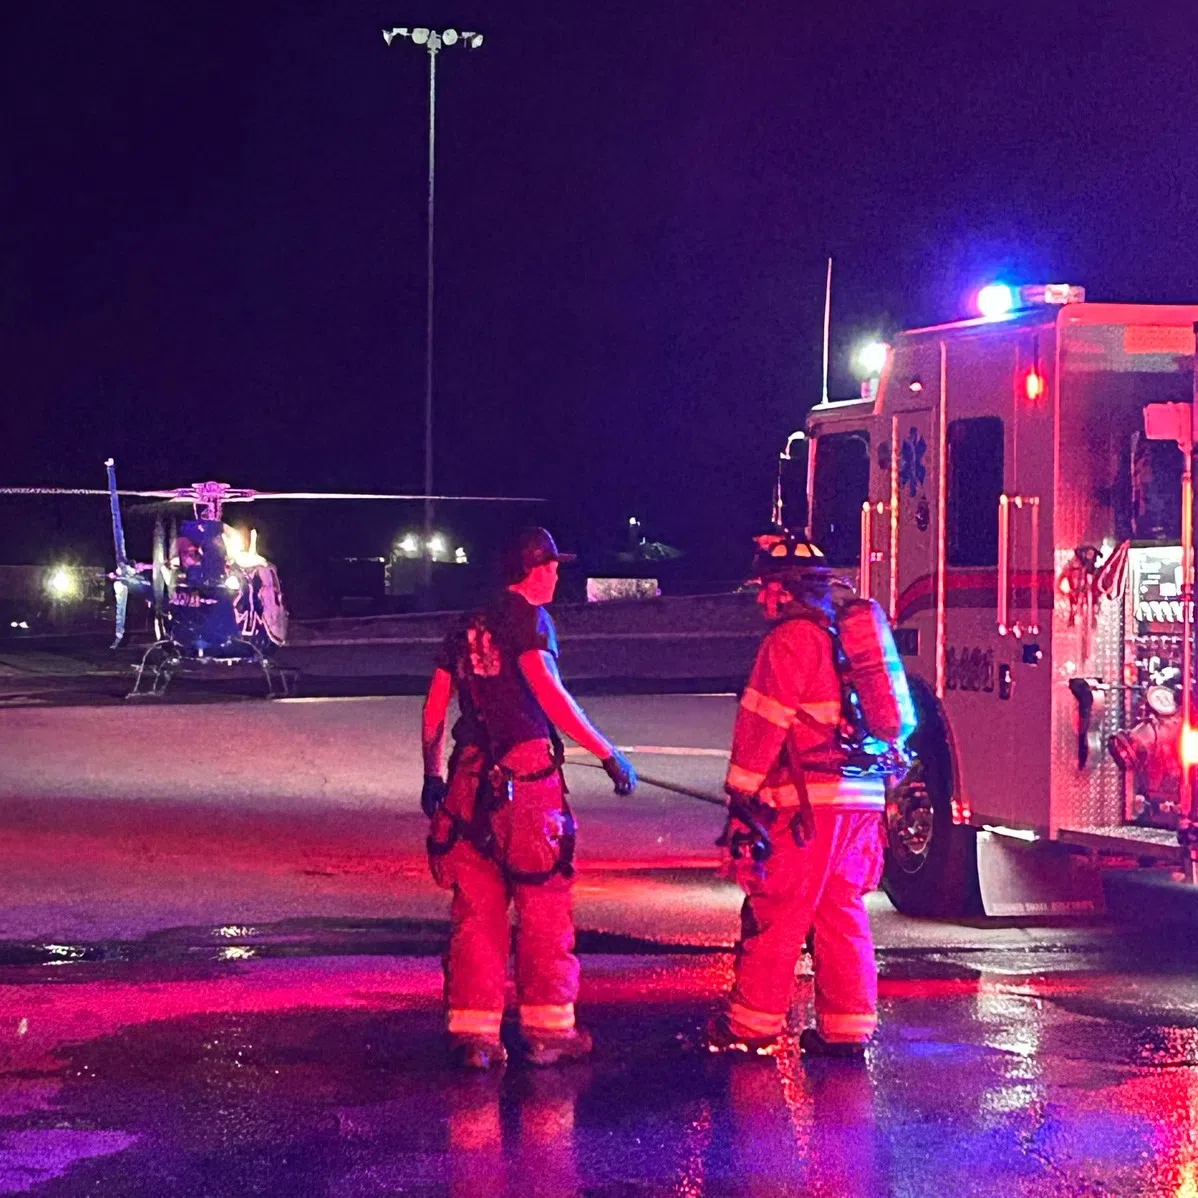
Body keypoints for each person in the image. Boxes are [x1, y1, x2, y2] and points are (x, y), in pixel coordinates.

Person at [421, 526, 638, 1070]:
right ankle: (549, 1031)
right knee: (543, 903)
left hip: (469, 779)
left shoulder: (464, 625)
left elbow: (434, 709)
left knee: (477, 908)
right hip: (526, 780)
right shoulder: (531, 620)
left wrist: (432, 776)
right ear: (532, 569)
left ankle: (476, 1037)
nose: (558, 574)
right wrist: (607, 753)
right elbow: (548, 690)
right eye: (552, 565)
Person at [705, 530, 887, 1059]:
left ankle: (751, 1027)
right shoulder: (843, 638)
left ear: (784, 590)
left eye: (766, 587)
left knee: (781, 911)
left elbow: (763, 724)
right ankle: (848, 1030)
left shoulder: (790, 640)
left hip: (810, 806)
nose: (761, 598)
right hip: (861, 800)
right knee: (841, 912)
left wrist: (740, 797)